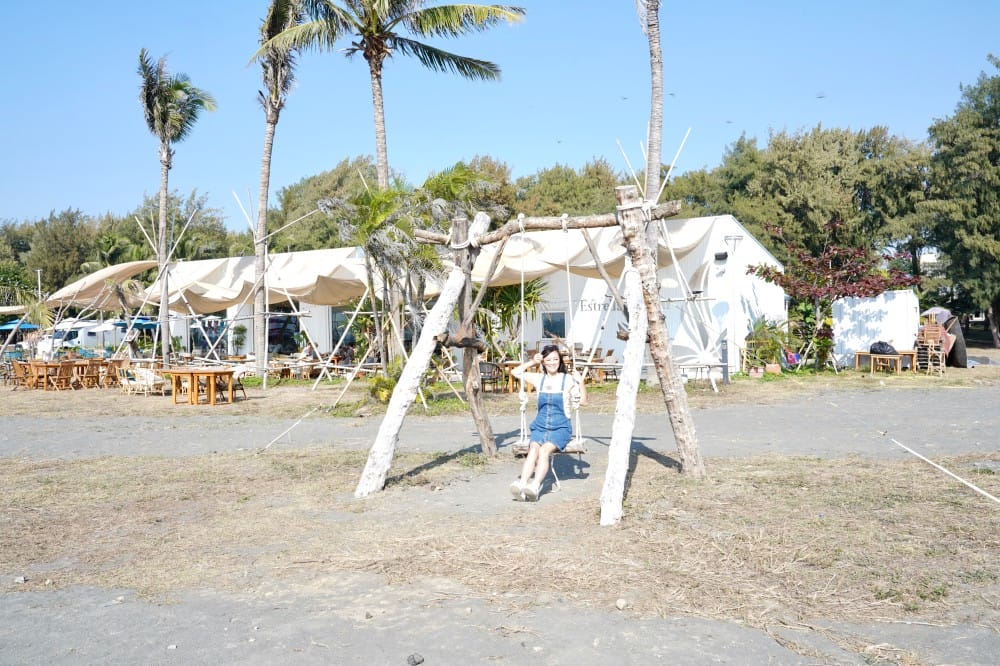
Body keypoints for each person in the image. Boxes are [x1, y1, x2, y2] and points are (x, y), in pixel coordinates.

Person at [509, 344, 587, 501]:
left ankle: (535, 486)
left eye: (555, 359)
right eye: (549, 359)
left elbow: (583, 402)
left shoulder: (568, 379)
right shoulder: (539, 378)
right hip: (540, 425)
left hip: (560, 428)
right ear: (543, 361)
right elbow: (515, 372)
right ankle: (522, 484)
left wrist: (581, 382)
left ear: (560, 361)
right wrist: (532, 361)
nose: (552, 362)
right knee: (533, 450)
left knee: (544, 451)